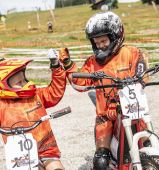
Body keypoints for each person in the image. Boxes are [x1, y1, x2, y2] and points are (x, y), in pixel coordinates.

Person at [57, 11, 148, 170]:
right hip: (105, 116)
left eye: (103, 41)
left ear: (116, 36)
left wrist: (140, 77)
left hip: (134, 111)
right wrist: (68, 64)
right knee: (100, 162)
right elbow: (79, 84)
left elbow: (142, 71)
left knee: (149, 145)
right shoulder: (92, 62)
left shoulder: (132, 53)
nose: (100, 45)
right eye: (96, 42)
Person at [0, 49, 66, 170]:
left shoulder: (36, 95)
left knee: (56, 168)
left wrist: (56, 66)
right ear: (4, 85)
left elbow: (54, 93)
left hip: (46, 147)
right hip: (20, 155)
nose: (25, 84)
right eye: (19, 83)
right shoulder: (2, 105)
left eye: (24, 79)